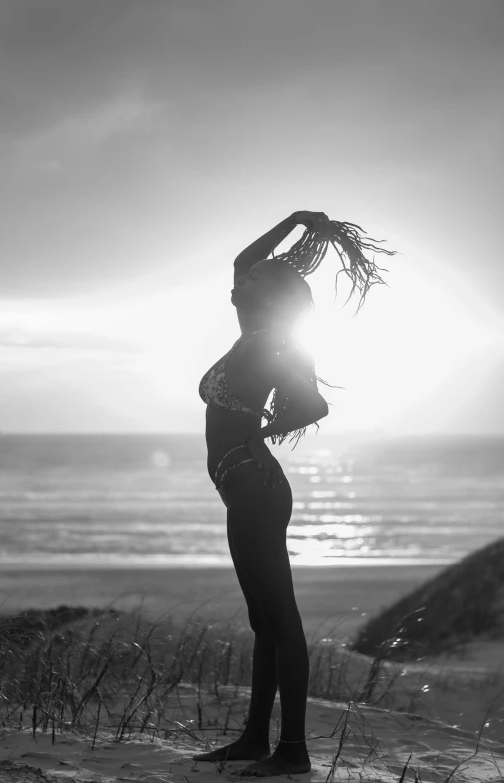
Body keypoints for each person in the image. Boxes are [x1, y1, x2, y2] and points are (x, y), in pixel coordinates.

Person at [194, 211, 394, 777]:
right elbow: (241, 263)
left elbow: (312, 405)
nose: (241, 280)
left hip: (255, 484)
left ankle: (293, 751)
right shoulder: (250, 336)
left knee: (282, 617)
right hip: (243, 485)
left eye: (257, 279)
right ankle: (256, 739)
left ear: (271, 294)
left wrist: (252, 438)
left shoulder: (270, 344)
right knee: (264, 618)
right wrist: (294, 221)